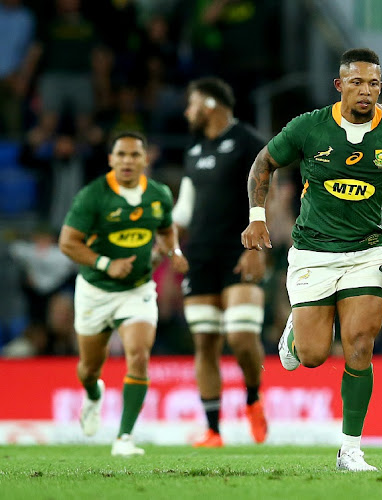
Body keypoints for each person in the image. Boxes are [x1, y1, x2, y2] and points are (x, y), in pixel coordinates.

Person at [241, 48, 382, 471]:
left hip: (367, 252)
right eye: (356, 82)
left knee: (359, 346)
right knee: (315, 355)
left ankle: (350, 450)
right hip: (313, 251)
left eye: (374, 84)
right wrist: (257, 217)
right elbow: (264, 163)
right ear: (340, 86)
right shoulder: (309, 127)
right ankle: (296, 336)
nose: (366, 91)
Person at [58, 131, 189, 456]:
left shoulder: (158, 195)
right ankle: (92, 394)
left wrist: (172, 251)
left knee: (139, 356)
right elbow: (67, 242)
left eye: (134, 155)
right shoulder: (94, 196)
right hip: (95, 290)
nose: (128, 161)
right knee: (89, 367)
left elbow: (165, 228)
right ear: (111, 160)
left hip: (138, 288)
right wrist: (106, 263)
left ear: (146, 160)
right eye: (121, 155)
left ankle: (124, 439)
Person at [174, 77, 268, 447]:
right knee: (205, 343)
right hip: (200, 255)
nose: (187, 111)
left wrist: (257, 248)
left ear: (210, 104)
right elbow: (185, 207)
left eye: (192, 103)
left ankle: (253, 398)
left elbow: (268, 196)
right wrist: (167, 244)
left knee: (242, 338)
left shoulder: (249, 143)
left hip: (239, 249)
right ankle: (213, 430)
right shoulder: (194, 150)